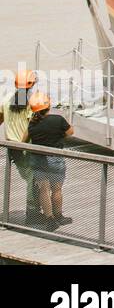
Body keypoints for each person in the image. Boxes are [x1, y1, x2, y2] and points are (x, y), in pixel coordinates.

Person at [25, 91, 72, 230]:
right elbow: (71, 132)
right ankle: (59, 216)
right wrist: (59, 136)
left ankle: (49, 219)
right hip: (55, 158)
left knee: (43, 190)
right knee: (56, 189)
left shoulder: (32, 124)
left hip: (37, 158)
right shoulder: (58, 119)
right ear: (48, 106)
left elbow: (24, 140)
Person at [1, 71, 38, 223]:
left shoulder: (7, 101)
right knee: (33, 179)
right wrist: (24, 145)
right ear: (32, 85)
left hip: (11, 145)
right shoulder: (31, 103)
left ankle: (34, 210)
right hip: (25, 148)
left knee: (29, 178)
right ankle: (33, 213)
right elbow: (29, 128)